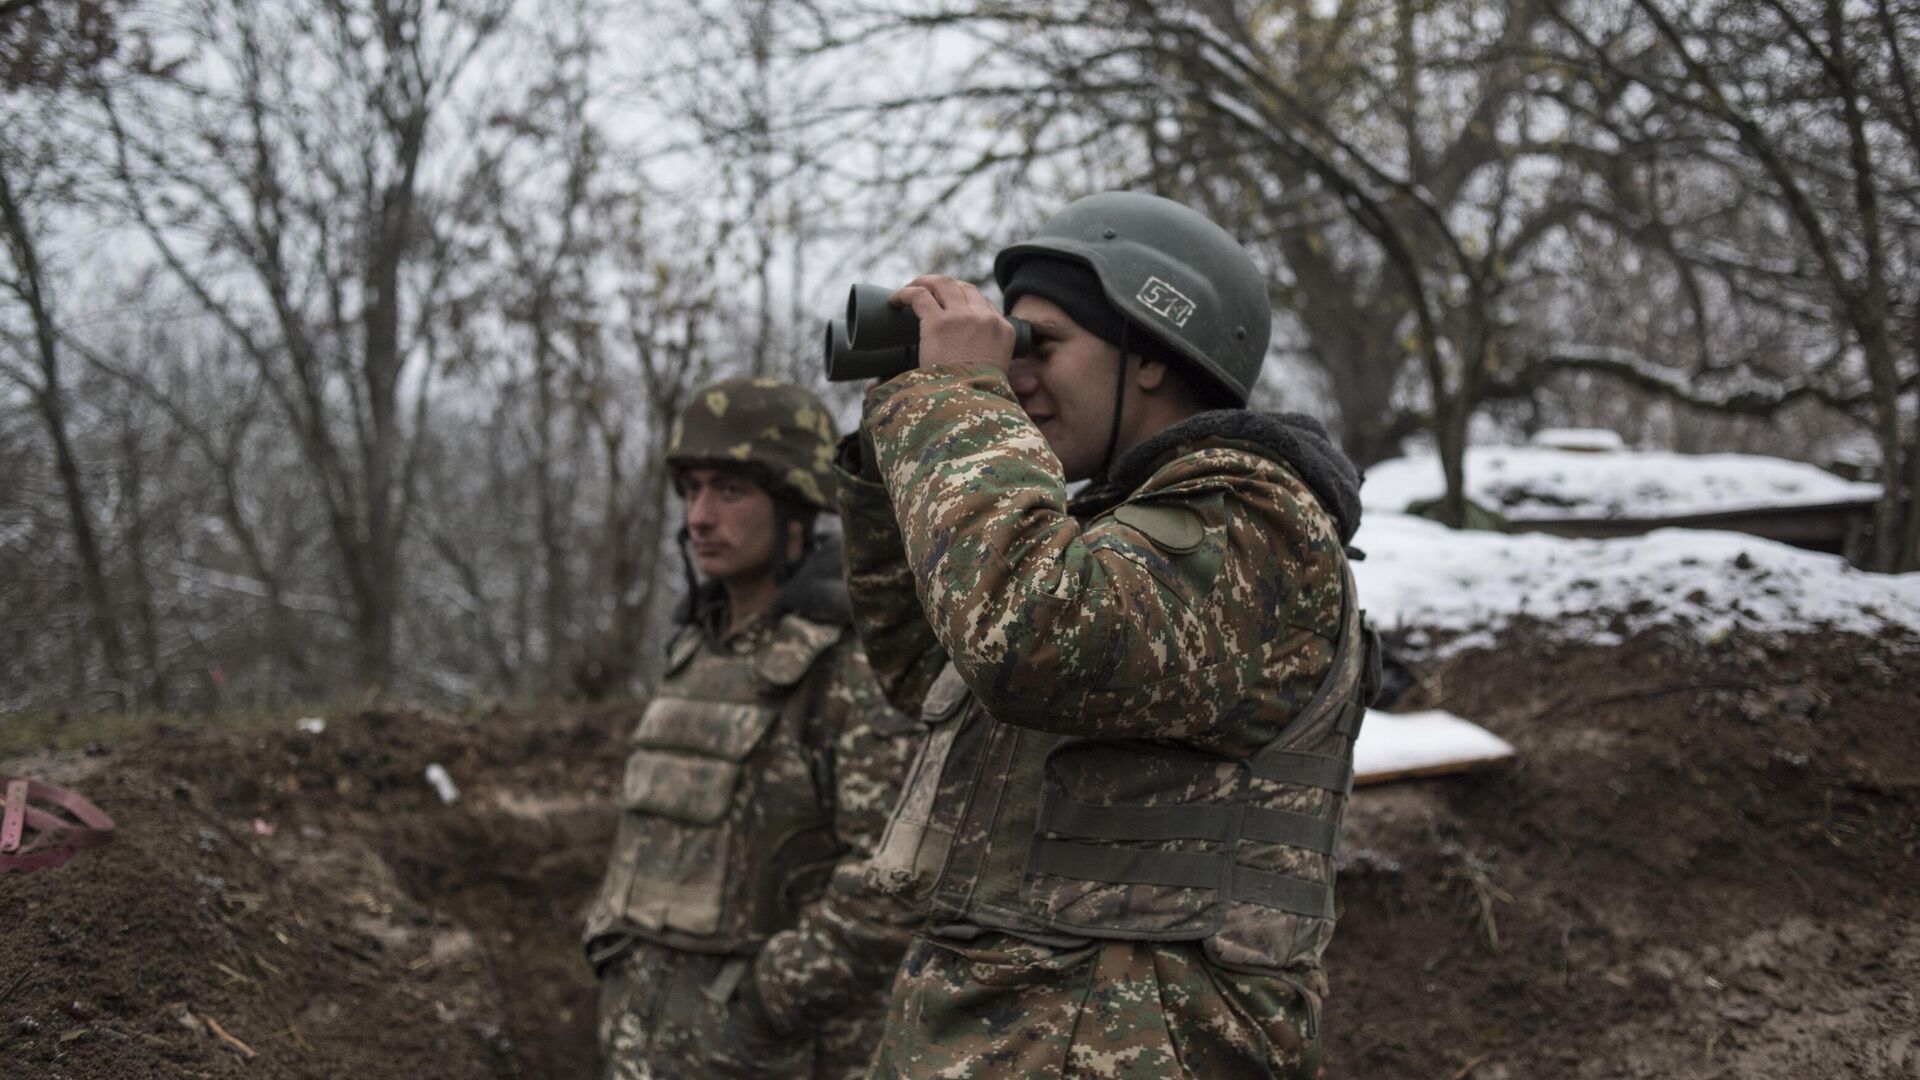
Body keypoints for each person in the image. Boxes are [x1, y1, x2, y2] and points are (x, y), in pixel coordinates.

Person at [834, 192, 1380, 1078]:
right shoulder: (1094, 540)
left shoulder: (1255, 525)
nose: (1013, 375)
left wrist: (958, 405)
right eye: (1005, 352)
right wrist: (899, 444)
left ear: (1153, 350)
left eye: (1039, 345)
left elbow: (1026, 638)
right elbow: (930, 667)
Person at [582, 377, 922, 1080]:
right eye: (691, 490)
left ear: (795, 507)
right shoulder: (694, 649)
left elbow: (895, 880)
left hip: (772, 1054)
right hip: (649, 1044)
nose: (700, 516)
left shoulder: (847, 664)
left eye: (730, 491)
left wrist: (769, 999)